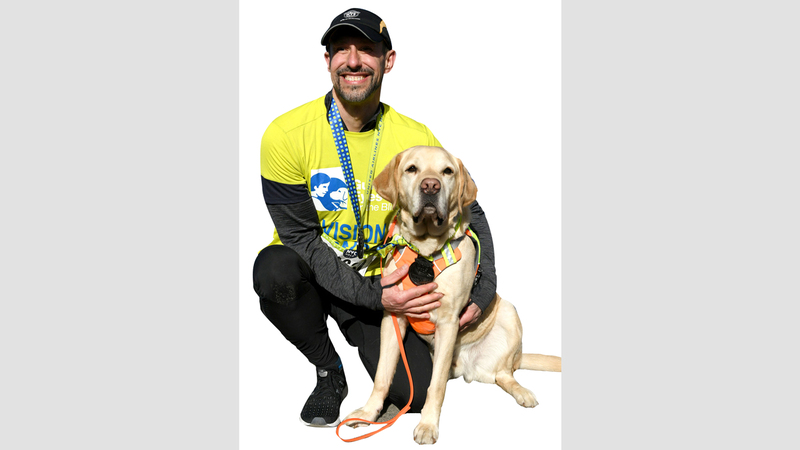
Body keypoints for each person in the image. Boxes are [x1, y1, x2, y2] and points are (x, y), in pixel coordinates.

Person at [253, 8, 497, 427]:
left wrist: (484, 287)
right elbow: (299, 237)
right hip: (314, 271)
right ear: (327, 60)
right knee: (274, 270)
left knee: (413, 396)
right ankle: (328, 371)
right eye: (341, 50)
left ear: (388, 61)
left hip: (380, 280)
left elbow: (470, 212)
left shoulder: (416, 138)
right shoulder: (285, 135)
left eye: (367, 49)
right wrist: (375, 297)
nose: (353, 61)